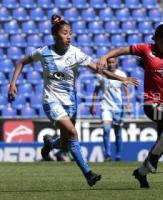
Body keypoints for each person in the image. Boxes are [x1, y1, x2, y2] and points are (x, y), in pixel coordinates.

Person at [8, 15, 138, 186]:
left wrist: (120, 78)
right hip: (51, 100)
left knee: (65, 145)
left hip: (71, 103)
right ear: (55, 35)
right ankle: (88, 174)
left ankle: (49, 143)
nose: (69, 36)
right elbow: (21, 62)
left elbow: (99, 70)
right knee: (73, 134)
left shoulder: (76, 53)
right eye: (65, 33)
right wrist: (12, 84)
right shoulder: (44, 52)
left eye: (70, 33)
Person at [97, 24, 163, 188]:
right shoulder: (145, 49)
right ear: (155, 40)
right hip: (152, 102)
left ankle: (141, 172)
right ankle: (152, 159)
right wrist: (105, 56)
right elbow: (122, 50)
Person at [91, 57, 131, 162]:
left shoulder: (121, 74)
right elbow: (96, 91)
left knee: (118, 132)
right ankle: (107, 155)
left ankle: (118, 155)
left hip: (118, 107)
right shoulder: (101, 74)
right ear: (107, 63)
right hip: (105, 106)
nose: (111, 64)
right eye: (109, 62)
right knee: (106, 129)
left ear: (116, 62)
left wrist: (128, 103)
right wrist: (93, 105)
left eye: (113, 62)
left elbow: (126, 90)